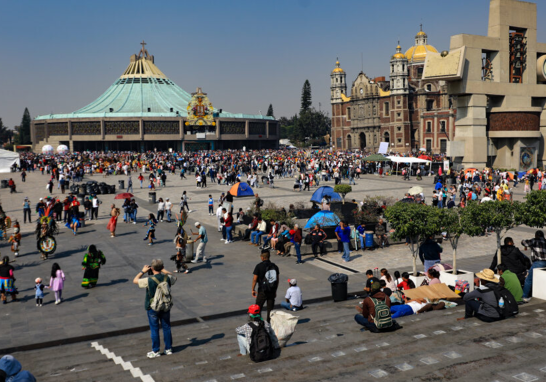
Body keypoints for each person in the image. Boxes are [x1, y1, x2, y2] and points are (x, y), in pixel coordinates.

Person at [133, 259, 176, 358]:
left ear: (152, 268)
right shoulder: (167, 278)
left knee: (154, 329)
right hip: (165, 306)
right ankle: (168, 348)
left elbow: (135, 280)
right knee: (166, 327)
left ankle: (156, 350)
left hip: (153, 307)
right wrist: (164, 270)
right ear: (162, 267)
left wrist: (143, 271)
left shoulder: (149, 280)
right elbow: (174, 277)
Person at [252, 250, 279, 322]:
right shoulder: (275, 266)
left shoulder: (259, 266)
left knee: (258, 308)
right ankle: (269, 324)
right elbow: (277, 280)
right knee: (270, 309)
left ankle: (258, 323)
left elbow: (255, 279)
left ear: (263, 257)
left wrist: (253, 289)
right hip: (272, 290)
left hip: (262, 290)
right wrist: (275, 290)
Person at [521, 230, 546, 302]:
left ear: (536, 235)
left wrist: (523, 240)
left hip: (538, 262)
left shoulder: (534, 241)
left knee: (529, 280)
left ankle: (524, 296)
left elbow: (524, 243)